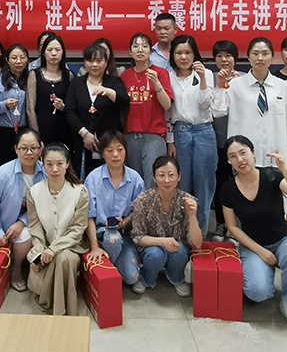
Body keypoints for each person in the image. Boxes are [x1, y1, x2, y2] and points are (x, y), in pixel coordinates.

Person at [220, 135, 287, 334]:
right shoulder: (228, 188)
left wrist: (284, 169)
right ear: (229, 161)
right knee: (258, 292)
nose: (239, 159)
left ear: (253, 153)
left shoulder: (271, 175)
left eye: (243, 153)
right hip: (253, 246)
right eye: (233, 156)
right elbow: (232, 227)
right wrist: (260, 251)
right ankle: (265, 271)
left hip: (282, 239)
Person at [165, 35, 224, 237]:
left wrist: (203, 80)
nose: (183, 57)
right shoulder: (168, 76)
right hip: (180, 133)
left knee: (204, 185)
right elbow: (168, 112)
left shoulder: (205, 73)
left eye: (188, 53)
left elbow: (205, 106)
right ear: (173, 55)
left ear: (195, 54)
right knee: (182, 185)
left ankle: (200, 234)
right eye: (179, 53)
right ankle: (182, 233)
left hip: (204, 132)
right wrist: (170, 141)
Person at [26, 143, 90, 315]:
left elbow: (78, 228)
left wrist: (54, 248)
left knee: (63, 258)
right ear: (43, 164)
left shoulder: (80, 192)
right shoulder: (34, 192)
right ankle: (65, 308)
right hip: (45, 247)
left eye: (59, 164)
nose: (54, 169)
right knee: (57, 259)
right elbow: (35, 228)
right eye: (49, 164)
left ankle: (57, 309)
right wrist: (39, 251)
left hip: (72, 246)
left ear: (67, 164)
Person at [0, 129, 47, 291]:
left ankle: (24, 268)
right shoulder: (2, 174)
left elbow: (47, 204)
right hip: (5, 226)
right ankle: (16, 268)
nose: (29, 153)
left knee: (29, 234)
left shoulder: (46, 172)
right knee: (24, 237)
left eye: (33, 148)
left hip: (35, 222)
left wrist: (22, 221)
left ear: (40, 149)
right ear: (16, 149)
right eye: (24, 148)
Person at [130, 156, 202, 296]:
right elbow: (137, 237)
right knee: (155, 254)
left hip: (177, 249)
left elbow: (197, 243)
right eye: (161, 175)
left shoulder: (188, 201)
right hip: (151, 248)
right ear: (154, 177)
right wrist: (162, 242)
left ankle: (176, 278)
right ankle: (146, 279)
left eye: (171, 175)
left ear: (179, 177)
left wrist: (192, 216)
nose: (167, 180)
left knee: (180, 251)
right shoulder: (143, 200)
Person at [84, 131, 144, 286]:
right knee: (113, 239)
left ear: (125, 151)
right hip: (101, 232)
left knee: (132, 277)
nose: (115, 154)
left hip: (125, 233)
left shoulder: (135, 179)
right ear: (102, 154)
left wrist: (125, 222)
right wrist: (94, 246)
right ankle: (107, 278)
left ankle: (110, 268)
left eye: (120, 149)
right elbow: (89, 216)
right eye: (109, 150)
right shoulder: (93, 178)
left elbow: (138, 211)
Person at [227, 37, 287, 167]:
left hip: (276, 158)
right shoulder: (235, 85)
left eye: (265, 54)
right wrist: (219, 88)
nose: (260, 58)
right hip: (243, 159)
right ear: (248, 57)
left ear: (272, 57)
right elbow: (219, 111)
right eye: (255, 54)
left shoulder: (282, 86)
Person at [64, 43, 129, 178]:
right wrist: (84, 133)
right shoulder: (77, 83)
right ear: (84, 63)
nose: (94, 65)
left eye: (99, 61)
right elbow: (69, 111)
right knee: (84, 178)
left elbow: (124, 101)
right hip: (81, 142)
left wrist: (108, 92)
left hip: (109, 143)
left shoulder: (114, 82)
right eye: (90, 60)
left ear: (106, 62)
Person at [121, 33, 173, 188]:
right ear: (130, 52)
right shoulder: (125, 75)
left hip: (154, 136)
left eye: (144, 46)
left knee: (152, 182)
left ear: (150, 51)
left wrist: (156, 83)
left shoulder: (161, 73)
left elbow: (167, 105)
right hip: (130, 136)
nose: (140, 49)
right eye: (136, 46)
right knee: (133, 182)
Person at [210, 40, 244, 242]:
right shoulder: (210, 79)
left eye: (228, 55)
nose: (224, 60)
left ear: (235, 58)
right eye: (219, 56)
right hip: (219, 143)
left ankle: (240, 225)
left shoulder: (245, 79)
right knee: (221, 185)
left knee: (243, 184)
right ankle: (221, 224)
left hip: (241, 145)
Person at [26, 33, 74, 149]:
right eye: (49, 50)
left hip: (64, 129)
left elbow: (73, 108)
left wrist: (63, 107)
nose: (53, 53)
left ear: (63, 52)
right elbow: (30, 109)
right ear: (43, 52)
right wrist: (36, 137)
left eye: (57, 50)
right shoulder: (34, 75)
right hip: (42, 128)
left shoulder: (69, 75)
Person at [0, 44, 30, 164]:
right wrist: (4, 105)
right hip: (1, 132)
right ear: (7, 60)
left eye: (22, 57)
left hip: (25, 131)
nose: (18, 61)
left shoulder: (32, 79)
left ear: (27, 59)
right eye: (14, 58)